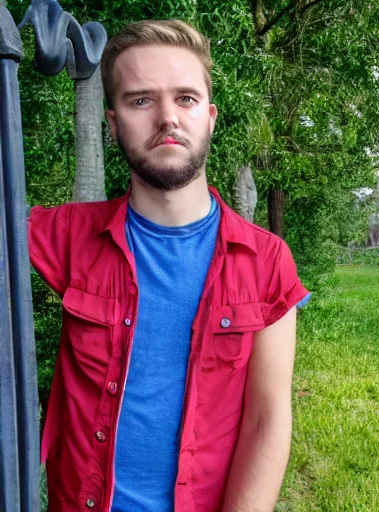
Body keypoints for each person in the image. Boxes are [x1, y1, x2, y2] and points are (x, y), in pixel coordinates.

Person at [28, 19, 310, 512]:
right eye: (141, 100)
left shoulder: (266, 262)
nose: (167, 118)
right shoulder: (66, 235)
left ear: (210, 117)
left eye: (185, 98)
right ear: (113, 124)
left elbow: (268, 421)